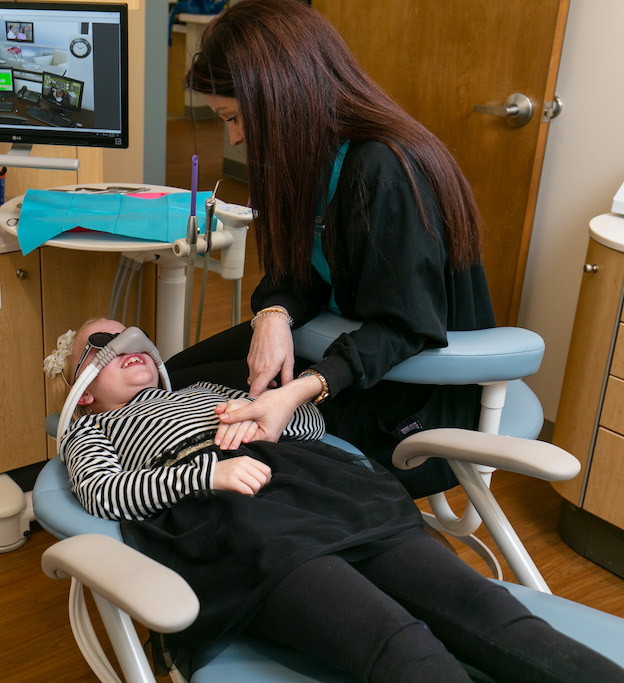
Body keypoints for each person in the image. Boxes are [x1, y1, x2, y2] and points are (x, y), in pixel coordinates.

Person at [49, 318, 624, 683]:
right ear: (83, 391)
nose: (125, 347)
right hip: (241, 528)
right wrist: (207, 476)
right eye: (99, 346)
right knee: (398, 645)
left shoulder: (203, 390)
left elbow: (306, 428)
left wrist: (267, 414)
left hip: (328, 494)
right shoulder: (91, 430)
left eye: (131, 338)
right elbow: (106, 493)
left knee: (488, 614)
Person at [165, 0, 495, 498]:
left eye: (235, 118)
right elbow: (297, 274)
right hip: (336, 345)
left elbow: (406, 327)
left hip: (411, 392)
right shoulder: (300, 153)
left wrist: (300, 392)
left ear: (281, 97)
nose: (234, 138)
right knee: (169, 380)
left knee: (213, 431)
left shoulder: (383, 171)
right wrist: (273, 315)